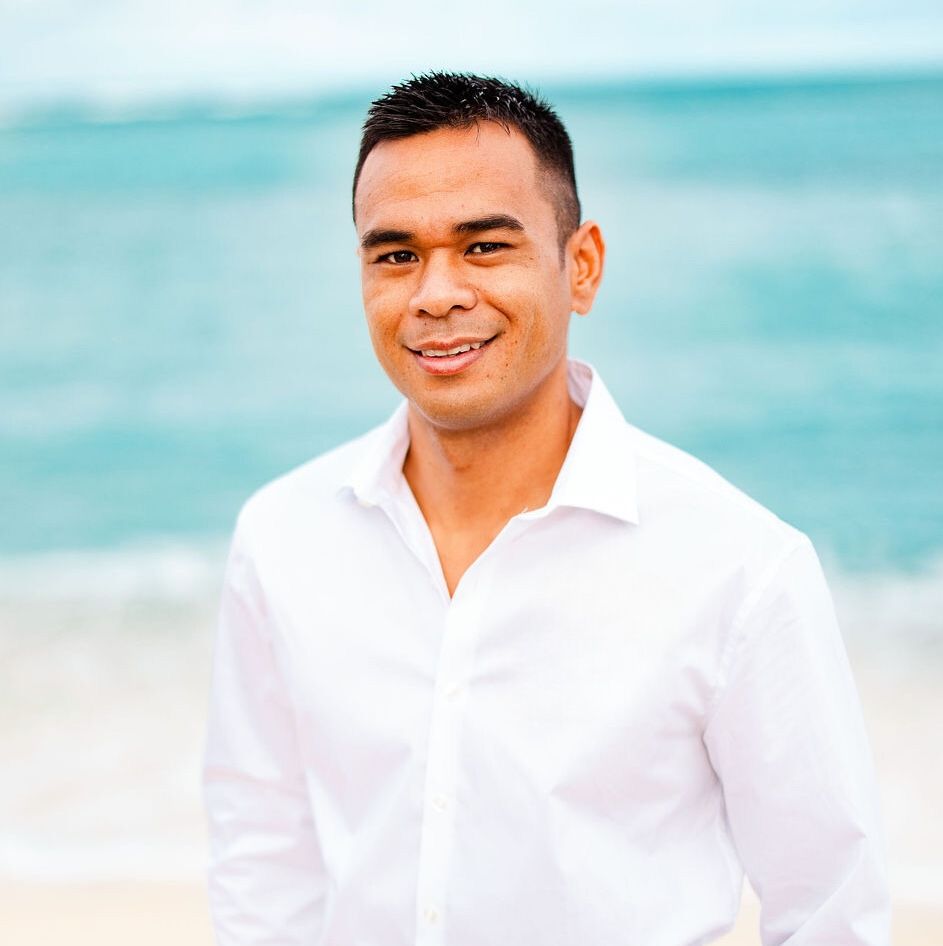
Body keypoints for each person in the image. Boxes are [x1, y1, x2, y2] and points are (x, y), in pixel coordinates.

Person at [203, 72, 889, 945]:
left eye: (485, 246)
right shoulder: (283, 537)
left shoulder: (738, 566)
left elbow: (830, 907)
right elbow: (263, 858)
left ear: (581, 267)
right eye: (396, 255)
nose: (436, 294)